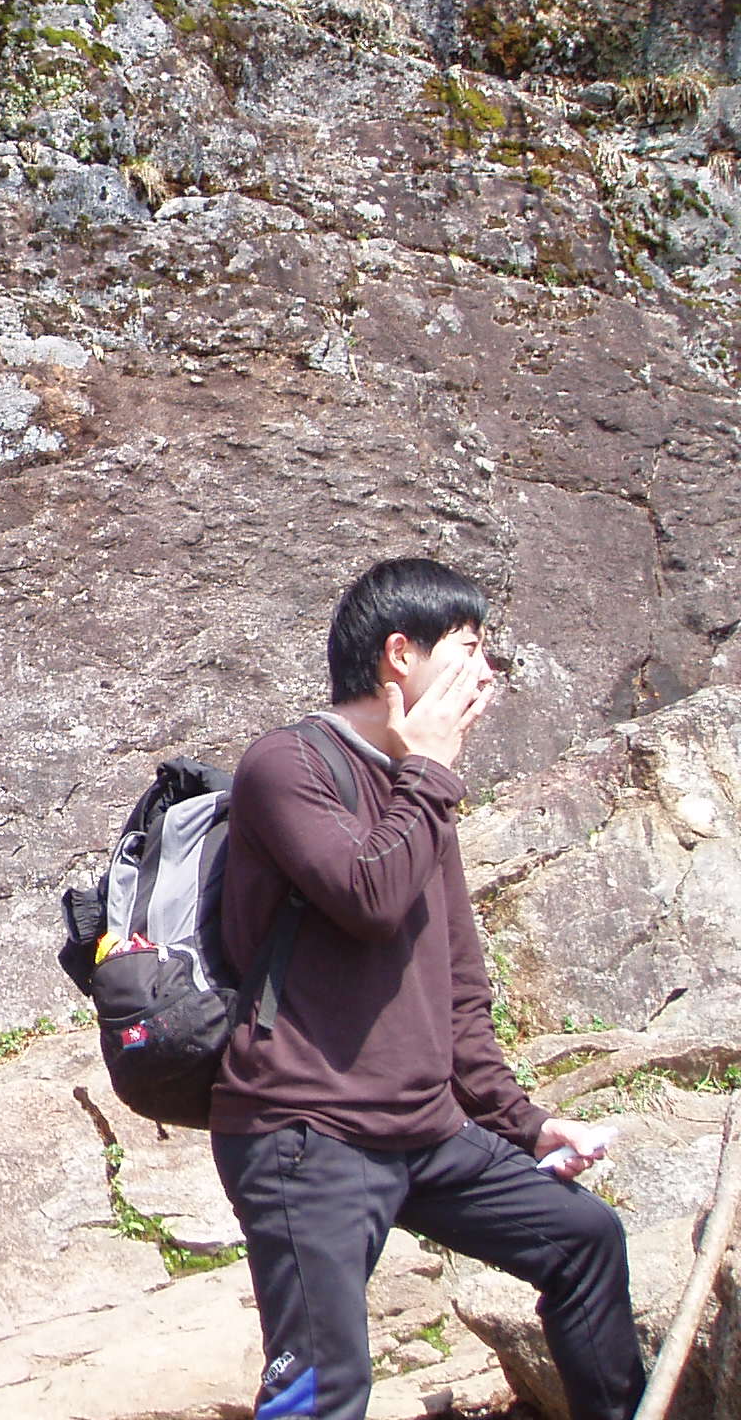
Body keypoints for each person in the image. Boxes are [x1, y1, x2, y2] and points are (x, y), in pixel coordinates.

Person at [211, 558, 645, 1420]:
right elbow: (368, 897)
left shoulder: (423, 790)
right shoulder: (286, 765)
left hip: (425, 1132)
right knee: (325, 1386)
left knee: (584, 1238)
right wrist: (431, 772)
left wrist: (524, 1123)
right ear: (399, 655)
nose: (488, 674)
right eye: (470, 649)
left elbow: (459, 992)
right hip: (307, 1133)